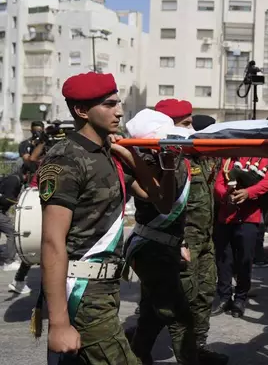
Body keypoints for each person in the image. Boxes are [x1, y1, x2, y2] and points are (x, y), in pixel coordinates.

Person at [40, 72, 175, 364]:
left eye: (118, 103)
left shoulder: (110, 154)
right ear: (82, 110)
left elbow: (162, 202)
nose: (119, 111)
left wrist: (134, 157)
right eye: (109, 104)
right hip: (83, 292)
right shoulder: (66, 157)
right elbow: (52, 241)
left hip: (108, 288)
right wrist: (59, 323)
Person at [123, 99, 227, 365]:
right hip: (177, 241)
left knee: (200, 295)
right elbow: (157, 200)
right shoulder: (157, 159)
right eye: (185, 123)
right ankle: (176, 353)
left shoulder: (195, 154)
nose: (191, 127)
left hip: (202, 240)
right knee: (175, 307)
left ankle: (191, 347)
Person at [212, 154, 268, 317]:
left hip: (249, 218)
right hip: (226, 216)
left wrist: (248, 192)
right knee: (224, 259)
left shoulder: (263, 160)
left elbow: (266, 183)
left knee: (245, 259)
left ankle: (240, 298)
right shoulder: (228, 160)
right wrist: (226, 196)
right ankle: (224, 298)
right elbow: (219, 184)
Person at [0, 165, 30, 273]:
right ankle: (9, 262)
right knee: (12, 232)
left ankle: (6, 254)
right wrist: (19, 202)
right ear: (27, 174)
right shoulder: (14, 180)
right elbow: (5, 199)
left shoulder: (14, 179)